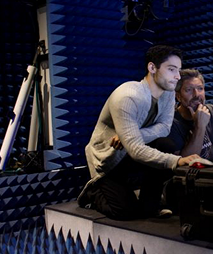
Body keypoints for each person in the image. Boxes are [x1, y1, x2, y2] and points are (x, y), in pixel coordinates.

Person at [77, 45, 199, 220]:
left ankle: (150, 207)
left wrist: (132, 136)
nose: (177, 76)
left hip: (129, 152)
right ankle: (93, 193)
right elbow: (135, 149)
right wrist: (177, 161)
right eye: (171, 69)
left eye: (178, 70)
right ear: (152, 68)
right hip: (109, 160)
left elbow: (164, 127)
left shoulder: (168, 93)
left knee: (166, 144)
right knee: (125, 212)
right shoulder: (127, 97)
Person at [167, 69, 213, 159]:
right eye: (189, 90)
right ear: (178, 96)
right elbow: (185, 165)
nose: (196, 94)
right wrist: (200, 126)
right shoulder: (170, 124)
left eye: (200, 88)